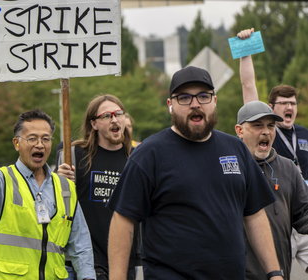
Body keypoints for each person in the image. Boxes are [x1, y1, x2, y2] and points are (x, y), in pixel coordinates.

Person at [107, 66, 284, 280]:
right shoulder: (148, 154)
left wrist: (274, 273)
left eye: (203, 96)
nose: (195, 104)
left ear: (214, 101)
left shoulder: (235, 150)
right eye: (184, 98)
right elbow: (123, 219)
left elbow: (254, 214)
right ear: (170, 105)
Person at [0, 109, 95, 280]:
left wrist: (88, 277)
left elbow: (81, 244)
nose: (40, 145)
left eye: (46, 139)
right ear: (16, 143)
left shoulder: (65, 187)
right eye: (32, 138)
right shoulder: (3, 179)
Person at [238, 28, 308, 274]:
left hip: (296, 216)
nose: (266, 131)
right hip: (266, 240)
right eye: (284, 103)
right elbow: (248, 87)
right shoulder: (239, 159)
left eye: (293, 103)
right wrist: (245, 51)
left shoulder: (303, 136)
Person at [56, 94, 138, 280]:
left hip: (125, 264)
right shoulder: (75, 155)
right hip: (86, 264)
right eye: (107, 116)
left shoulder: (137, 159)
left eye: (118, 114)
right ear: (94, 124)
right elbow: (56, 204)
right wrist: (59, 182)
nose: (115, 119)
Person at [235, 100, 308, 279]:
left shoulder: (288, 168)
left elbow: (304, 216)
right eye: (258, 125)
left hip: (279, 275)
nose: (266, 131)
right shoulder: (230, 168)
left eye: (271, 125)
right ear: (239, 131)